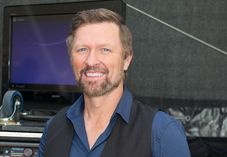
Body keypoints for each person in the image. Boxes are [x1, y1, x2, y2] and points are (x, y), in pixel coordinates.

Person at [38, 8, 191, 157]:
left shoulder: (162, 131)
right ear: (71, 59)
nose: (91, 61)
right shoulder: (53, 128)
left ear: (126, 60)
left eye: (105, 50)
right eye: (82, 49)